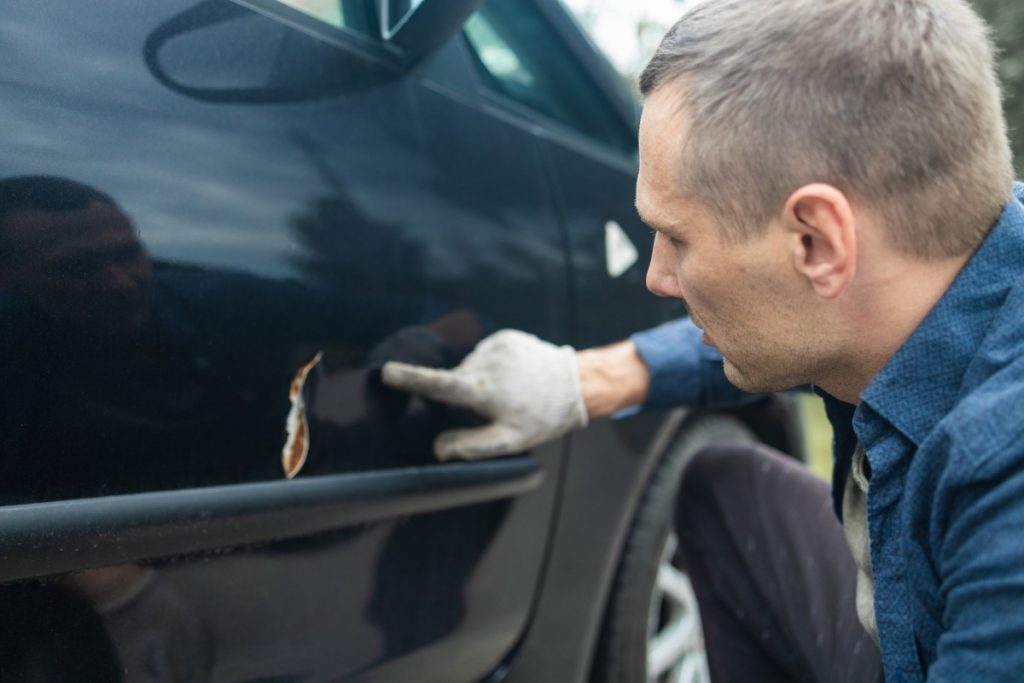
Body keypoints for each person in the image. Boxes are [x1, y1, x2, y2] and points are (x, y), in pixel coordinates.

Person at [382, 0, 1024, 680]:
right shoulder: (933, 264)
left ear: (815, 240)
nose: (658, 277)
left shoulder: (1004, 472)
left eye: (678, 237)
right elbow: (771, 326)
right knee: (725, 491)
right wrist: (587, 379)